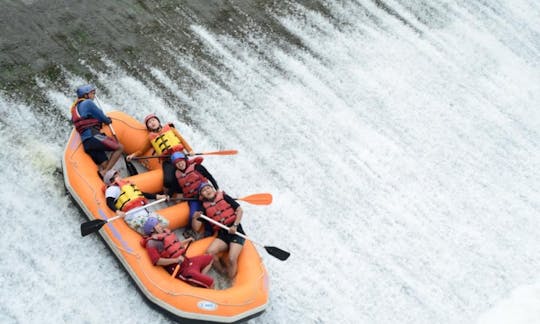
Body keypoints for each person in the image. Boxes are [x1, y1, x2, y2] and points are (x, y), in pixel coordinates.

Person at [126, 114, 194, 195]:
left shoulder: (171, 129)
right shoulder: (150, 138)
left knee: (189, 173)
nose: (152, 123)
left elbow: (182, 140)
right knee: (168, 180)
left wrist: (190, 150)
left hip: (180, 155)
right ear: (148, 127)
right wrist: (133, 155)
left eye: (154, 120)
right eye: (149, 122)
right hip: (167, 160)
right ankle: (167, 195)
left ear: (158, 121)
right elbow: (142, 151)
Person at [140, 217, 214, 288]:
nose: (160, 225)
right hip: (180, 270)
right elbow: (157, 261)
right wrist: (176, 260)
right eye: (157, 224)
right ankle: (198, 280)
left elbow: (175, 246)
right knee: (211, 282)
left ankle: (198, 281)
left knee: (210, 258)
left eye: (159, 223)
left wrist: (187, 240)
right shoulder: (152, 243)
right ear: (152, 230)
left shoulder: (165, 234)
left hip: (188, 261)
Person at [70, 84, 124, 178]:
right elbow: (101, 116)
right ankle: (105, 172)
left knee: (105, 164)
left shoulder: (75, 109)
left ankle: (108, 178)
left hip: (87, 144)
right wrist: (107, 120)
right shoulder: (88, 103)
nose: (94, 95)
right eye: (92, 93)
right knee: (119, 148)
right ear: (86, 95)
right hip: (94, 137)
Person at [193, 183, 245, 279]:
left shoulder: (224, 197)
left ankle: (230, 279)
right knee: (210, 252)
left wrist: (235, 225)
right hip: (222, 234)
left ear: (213, 189)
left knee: (232, 258)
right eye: (204, 190)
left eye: (208, 188)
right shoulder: (204, 207)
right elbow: (196, 227)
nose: (207, 190)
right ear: (202, 195)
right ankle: (222, 271)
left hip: (236, 232)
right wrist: (195, 217)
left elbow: (240, 210)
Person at [103, 168, 169, 234]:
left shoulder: (127, 186)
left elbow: (142, 194)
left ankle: (160, 235)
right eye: (116, 176)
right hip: (132, 217)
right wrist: (117, 211)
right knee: (153, 224)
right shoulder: (112, 189)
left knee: (165, 222)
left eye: (118, 175)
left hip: (146, 214)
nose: (119, 177)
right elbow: (109, 202)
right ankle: (153, 233)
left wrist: (159, 196)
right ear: (112, 181)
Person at [170, 152, 219, 238]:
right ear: (175, 165)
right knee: (192, 214)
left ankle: (209, 231)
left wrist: (217, 189)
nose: (180, 164)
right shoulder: (176, 174)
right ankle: (189, 229)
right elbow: (174, 187)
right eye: (177, 163)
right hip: (192, 198)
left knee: (209, 211)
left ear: (185, 160)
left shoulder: (197, 167)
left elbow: (210, 177)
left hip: (205, 195)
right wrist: (168, 195)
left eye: (181, 161)